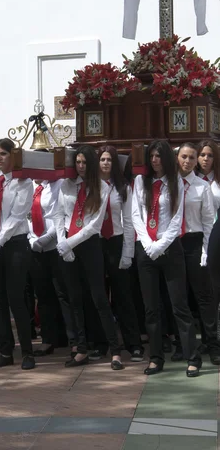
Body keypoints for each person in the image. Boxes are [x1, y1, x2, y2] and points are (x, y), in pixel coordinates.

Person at [132, 140, 201, 377]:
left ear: (166, 159)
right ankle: (156, 357)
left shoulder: (175, 183)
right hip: (146, 249)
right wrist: (148, 245)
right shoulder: (140, 181)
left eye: (159, 156)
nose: (154, 160)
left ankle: (193, 358)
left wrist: (160, 244)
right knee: (151, 309)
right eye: (151, 156)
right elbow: (136, 216)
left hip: (170, 249)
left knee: (179, 306)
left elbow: (176, 218)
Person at [55, 145, 124, 370]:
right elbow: (58, 215)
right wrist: (61, 242)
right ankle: (81, 349)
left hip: (88, 245)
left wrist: (69, 243)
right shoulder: (66, 185)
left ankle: (115, 350)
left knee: (99, 298)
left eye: (85, 162)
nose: (81, 166)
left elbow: (94, 225)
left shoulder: (102, 188)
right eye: (78, 162)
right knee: (75, 299)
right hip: (67, 245)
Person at [0, 138, 35, 370]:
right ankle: (5, 351)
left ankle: (27, 352)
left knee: (16, 298)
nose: (0, 158)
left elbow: (17, 216)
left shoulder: (24, 182)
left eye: (4, 153)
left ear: (13, 156)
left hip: (14, 243)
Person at [172, 143, 220, 365]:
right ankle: (184, 345)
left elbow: (209, 221)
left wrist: (205, 251)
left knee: (204, 297)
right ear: (177, 158)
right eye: (185, 156)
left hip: (195, 241)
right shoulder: (168, 185)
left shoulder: (202, 187)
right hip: (173, 242)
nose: (188, 161)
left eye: (192, 158)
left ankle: (212, 344)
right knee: (179, 297)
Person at [97, 146, 144, 362]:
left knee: (123, 295)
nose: (105, 163)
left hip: (116, 242)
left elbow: (128, 223)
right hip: (96, 243)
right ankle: (101, 344)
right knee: (99, 296)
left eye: (109, 160)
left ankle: (133, 343)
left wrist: (128, 252)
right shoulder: (90, 186)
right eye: (102, 159)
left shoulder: (123, 187)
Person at [28, 176, 75, 356]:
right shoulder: (30, 185)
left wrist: (46, 238)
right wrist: (32, 239)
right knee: (43, 295)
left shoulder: (58, 184)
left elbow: (59, 215)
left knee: (63, 293)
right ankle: (48, 339)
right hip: (35, 246)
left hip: (55, 244)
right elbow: (26, 214)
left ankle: (72, 339)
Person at [196, 139, 220, 214]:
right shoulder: (191, 180)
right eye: (202, 155)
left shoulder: (218, 180)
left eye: (210, 155)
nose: (206, 159)